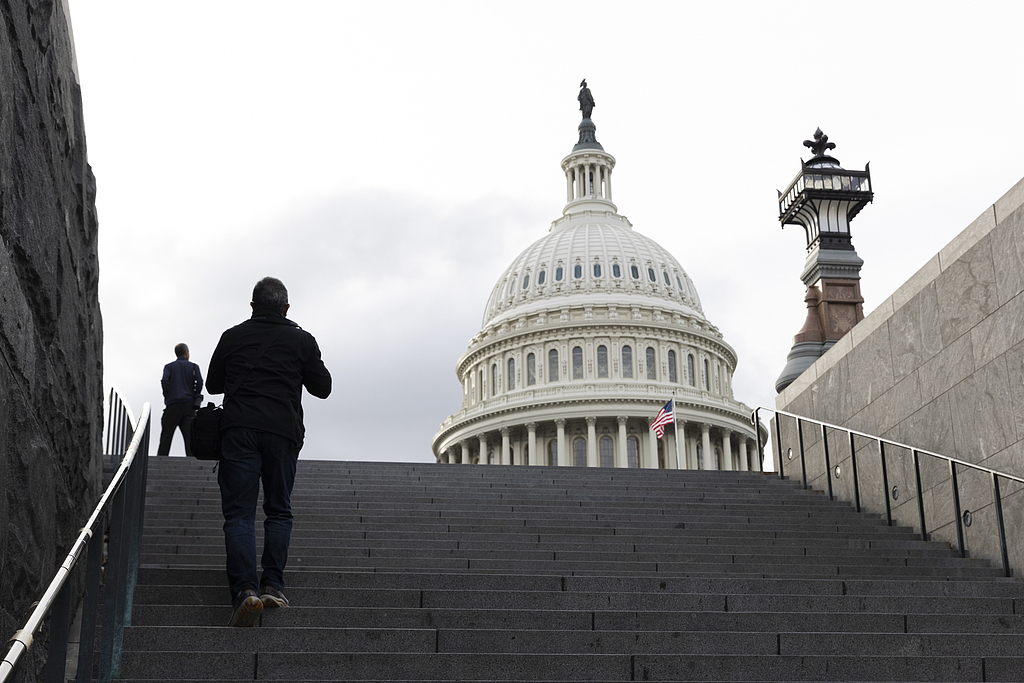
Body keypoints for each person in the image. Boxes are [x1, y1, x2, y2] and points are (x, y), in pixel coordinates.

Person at [206, 277, 332, 627]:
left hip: (239, 431)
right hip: (282, 433)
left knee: (239, 515)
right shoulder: (302, 340)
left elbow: (214, 385)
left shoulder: (232, 337)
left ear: (251, 307)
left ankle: (245, 590)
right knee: (278, 511)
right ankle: (272, 585)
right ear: (286, 308)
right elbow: (323, 388)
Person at [157, 343, 203, 457]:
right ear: (186, 352)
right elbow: (200, 382)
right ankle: (192, 462)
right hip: (189, 405)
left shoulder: (169, 367)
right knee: (190, 438)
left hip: (172, 405)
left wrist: (167, 395)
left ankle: (161, 460)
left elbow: (164, 381)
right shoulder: (193, 367)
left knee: (166, 437)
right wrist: (196, 394)